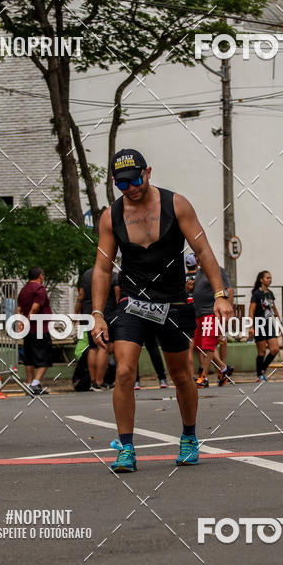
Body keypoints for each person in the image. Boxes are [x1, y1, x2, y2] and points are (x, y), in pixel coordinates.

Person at [90, 148, 233, 472]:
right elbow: (101, 268)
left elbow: (203, 249)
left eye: (136, 179)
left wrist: (221, 294)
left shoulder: (175, 205)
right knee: (125, 371)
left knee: (181, 374)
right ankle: (125, 448)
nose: (132, 188)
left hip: (173, 301)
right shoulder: (111, 216)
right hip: (132, 300)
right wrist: (98, 314)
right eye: (123, 184)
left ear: (149, 172)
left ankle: (188, 437)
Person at [75, 266, 120, 390]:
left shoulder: (87, 275)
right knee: (104, 347)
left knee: (93, 347)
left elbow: (81, 296)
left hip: (90, 315)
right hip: (107, 315)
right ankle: (99, 382)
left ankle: (93, 381)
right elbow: (118, 297)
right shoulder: (113, 275)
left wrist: (76, 314)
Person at [193, 262, 235, 387]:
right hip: (199, 314)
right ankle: (223, 367)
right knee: (200, 346)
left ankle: (203, 377)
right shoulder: (199, 273)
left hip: (212, 313)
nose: (197, 258)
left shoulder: (217, 270)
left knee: (208, 345)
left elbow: (228, 290)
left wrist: (228, 313)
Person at [17, 266, 53, 395]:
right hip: (39, 328)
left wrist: (21, 322)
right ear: (40, 276)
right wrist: (27, 320)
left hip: (28, 331)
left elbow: (19, 308)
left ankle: (29, 384)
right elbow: (35, 307)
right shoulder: (40, 289)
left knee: (29, 358)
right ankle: (35, 383)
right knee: (45, 357)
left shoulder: (24, 290)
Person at [248, 270, 282, 383]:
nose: (270, 280)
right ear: (261, 279)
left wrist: (278, 320)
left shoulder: (270, 293)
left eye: (270, 278)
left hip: (269, 323)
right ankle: (259, 375)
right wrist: (251, 326)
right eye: (267, 278)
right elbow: (251, 310)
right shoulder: (256, 294)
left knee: (274, 349)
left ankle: (263, 369)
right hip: (259, 324)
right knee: (262, 351)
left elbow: (274, 308)